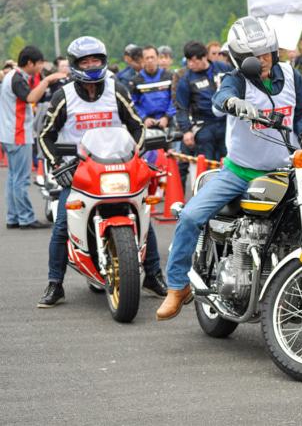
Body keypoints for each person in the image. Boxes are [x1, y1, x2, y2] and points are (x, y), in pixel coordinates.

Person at [156, 16, 302, 320]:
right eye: (253, 58)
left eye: (266, 53)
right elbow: (220, 97)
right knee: (189, 216)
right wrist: (233, 103)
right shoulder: (235, 79)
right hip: (238, 172)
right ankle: (177, 287)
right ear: (239, 60)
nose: (262, 61)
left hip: (284, 173)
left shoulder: (292, 76)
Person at [38, 36, 167, 308]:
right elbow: (45, 136)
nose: (92, 64)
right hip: (79, 172)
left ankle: (153, 277)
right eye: (85, 61)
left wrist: (136, 152)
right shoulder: (64, 95)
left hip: (116, 167)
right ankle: (55, 284)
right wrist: (59, 166)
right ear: (75, 64)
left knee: (142, 213)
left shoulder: (116, 88)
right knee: (62, 224)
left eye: (96, 59)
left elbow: (137, 127)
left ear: (104, 60)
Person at [0, 46, 66, 230]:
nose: (40, 67)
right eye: (38, 64)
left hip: (9, 133)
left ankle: (14, 217)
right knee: (21, 179)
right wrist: (48, 80)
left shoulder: (11, 76)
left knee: (14, 178)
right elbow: (30, 97)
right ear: (30, 63)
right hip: (18, 133)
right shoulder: (18, 78)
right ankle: (26, 218)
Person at [175, 40, 230, 190]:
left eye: (194, 60)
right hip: (204, 127)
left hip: (227, 124)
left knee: (230, 165)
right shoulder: (186, 79)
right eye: (188, 60)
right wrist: (186, 130)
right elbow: (181, 108)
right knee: (209, 169)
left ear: (204, 57)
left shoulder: (224, 68)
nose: (191, 64)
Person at [129, 45, 176, 131]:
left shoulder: (169, 77)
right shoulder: (136, 80)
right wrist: (144, 118)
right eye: (147, 58)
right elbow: (133, 103)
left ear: (157, 58)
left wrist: (166, 117)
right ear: (143, 60)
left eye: (152, 57)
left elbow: (174, 99)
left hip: (168, 121)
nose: (150, 61)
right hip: (146, 123)